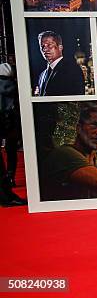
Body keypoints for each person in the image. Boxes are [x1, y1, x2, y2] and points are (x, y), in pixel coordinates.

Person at [0, 62, 27, 206]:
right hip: (9, 123)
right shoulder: (12, 86)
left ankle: (6, 190)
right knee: (11, 151)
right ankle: (9, 181)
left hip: (6, 122)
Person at [34, 31, 85, 96]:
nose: (45, 49)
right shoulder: (42, 75)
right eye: (42, 46)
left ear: (60, 47)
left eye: (49, 45)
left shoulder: (73, 70)